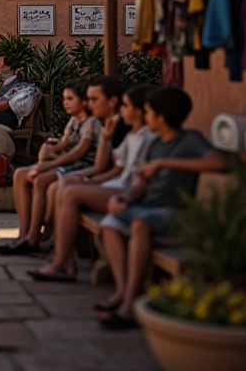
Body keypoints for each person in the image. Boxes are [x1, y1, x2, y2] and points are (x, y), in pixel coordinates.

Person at [95, 86, 228, 330]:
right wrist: (126, 198)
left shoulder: (189, 140)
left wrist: (162, 163)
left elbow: (219, 161)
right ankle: (123, 291)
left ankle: (130, 304)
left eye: (148, 112)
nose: (145, 117)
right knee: (111, 223)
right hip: (147, 208)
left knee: (139, 225)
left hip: (174, 213)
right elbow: (140, 183)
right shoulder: (154, 143)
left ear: (161, 116)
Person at [31, 83, 155, 283]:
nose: (89, 104)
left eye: (93, 99)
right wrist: (105, 141)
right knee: (62, 186)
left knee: (66, 189)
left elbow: (111, 168)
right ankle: (58, 254)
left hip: (128, 189)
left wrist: (91, 179)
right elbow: (116, 166)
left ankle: (60, 260)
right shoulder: (128, 132)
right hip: (119, 183)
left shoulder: (134, 132)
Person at [0, 81, 101, 256]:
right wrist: (49, 149)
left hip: (82, 167)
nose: (65, 103)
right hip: (68, 163)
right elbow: (65, 144)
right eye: (64, 99)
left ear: (84, 102)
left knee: (40, 178)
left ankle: (33, 237)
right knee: (21, 174)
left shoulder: (92, 123)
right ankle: (24, 233)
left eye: (70, 99)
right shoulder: (75, 121)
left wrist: (50, 162)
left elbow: (79, 153)